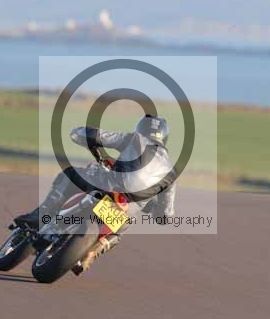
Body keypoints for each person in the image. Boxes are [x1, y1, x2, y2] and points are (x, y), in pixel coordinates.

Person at [14, 114, 177, 273]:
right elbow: (165, 216)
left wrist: (79, 133)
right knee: (119, 230)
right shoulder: (171, 172)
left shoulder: (135, 139)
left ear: (140, 129)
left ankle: (41, 215)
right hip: (127, 209)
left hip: (109, 187)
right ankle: (93, 252)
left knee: (69, 175)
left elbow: (95, 135)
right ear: (164, 137)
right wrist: (152, 208)